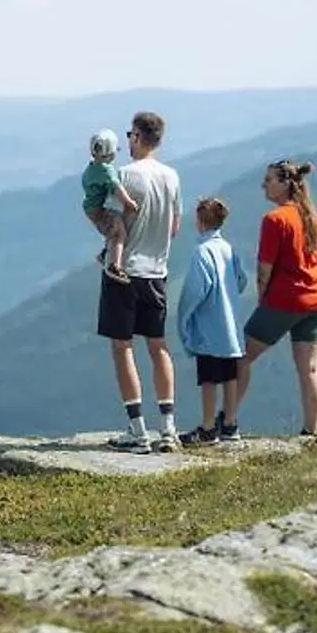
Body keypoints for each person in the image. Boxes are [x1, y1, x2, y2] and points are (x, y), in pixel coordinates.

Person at [223, 159, 317, 439]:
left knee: (241, 357)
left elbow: (264, 268)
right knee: (310, 369)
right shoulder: (315, 219)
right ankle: (310, 432)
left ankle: (229, 421)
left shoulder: (275, 219)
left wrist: (263, 298)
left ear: (285, 184)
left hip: (284, 299)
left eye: (269, 180)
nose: (264, 185)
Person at [99, 111, 183, 454]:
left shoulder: (124, 175)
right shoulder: (171, 176)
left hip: (124, 271)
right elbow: (175, 227)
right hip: (157, 271)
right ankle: (168, 427)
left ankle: (137, 430)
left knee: (123, 347)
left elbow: (112, 225)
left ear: (136, 137)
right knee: (158, 346)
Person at [174, 197, 248, 446]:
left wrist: (184, 316)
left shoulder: (202, 252)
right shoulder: (228, 249)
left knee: (208, 378)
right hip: (230, 327)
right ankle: (230, 423)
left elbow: (196, 290)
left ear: (200, 221)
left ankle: (207, 427)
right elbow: (242, 280)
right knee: (230, 376)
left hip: (209, 326)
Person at [82, 129, 140, 283]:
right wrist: (129, 203)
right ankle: (115, 265)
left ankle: (106, 252)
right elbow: (117, 188)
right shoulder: (106, 171)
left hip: (91, 208)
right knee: (119, 233)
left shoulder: (92, 168)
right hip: (98, 209)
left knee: (111, 229)